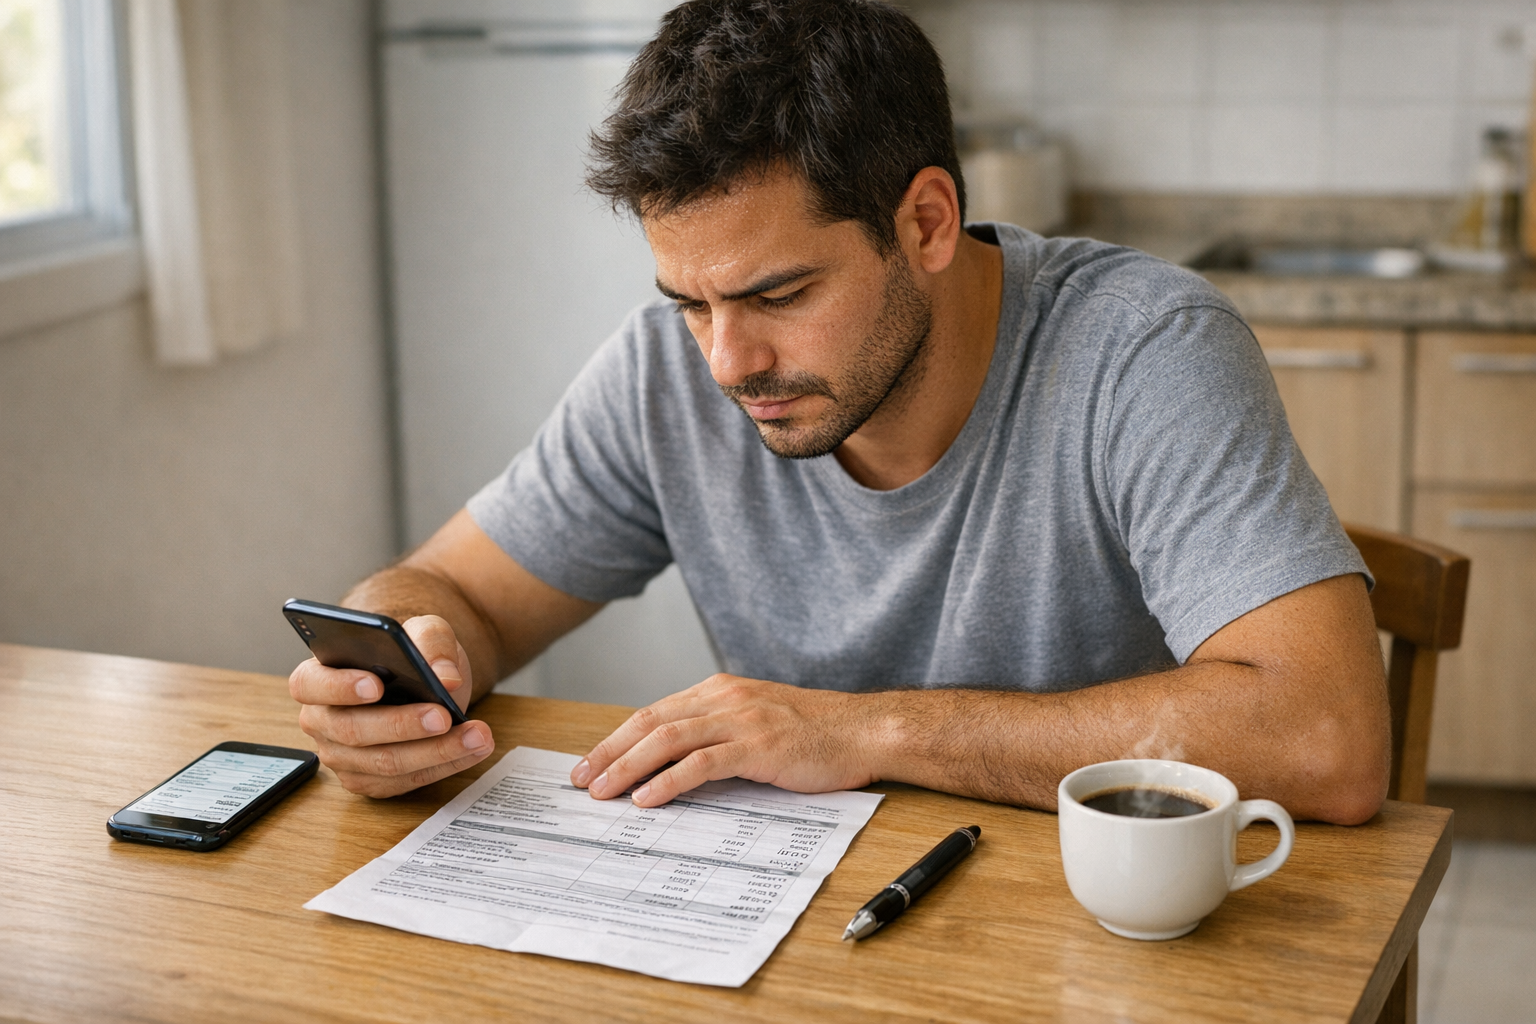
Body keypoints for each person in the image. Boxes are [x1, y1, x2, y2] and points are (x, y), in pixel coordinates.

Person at [289, 0, 1390, 824]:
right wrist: (391, 672)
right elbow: (447, 593)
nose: (728, 360)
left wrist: (863, 728)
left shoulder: (1144, 349)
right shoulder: (664, 375)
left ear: (925, 221)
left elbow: (1327, 734)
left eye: (778, 295)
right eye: (689, 303)